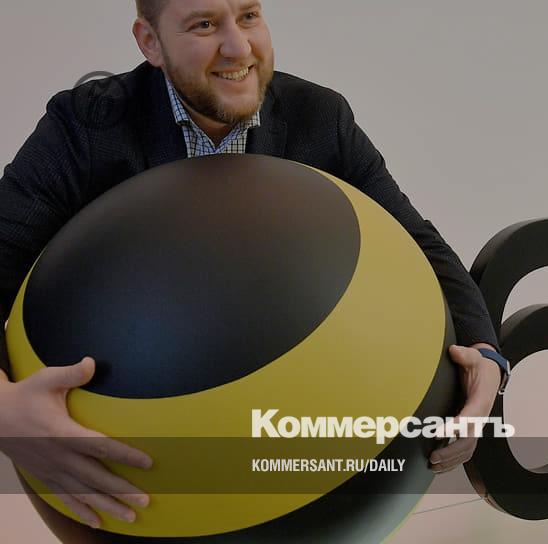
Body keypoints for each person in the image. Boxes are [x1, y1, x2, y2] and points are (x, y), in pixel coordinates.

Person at [0, 0, 507, 529]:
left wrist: (484, 354)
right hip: (142, 494)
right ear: (150, 42)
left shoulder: (320, 118)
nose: (238, 47)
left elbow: (417, 242)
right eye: (204, 24)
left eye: (248, 16)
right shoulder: (85, 128)